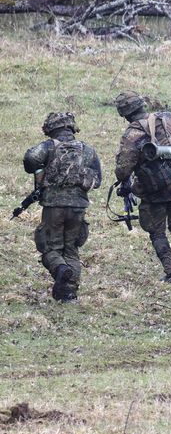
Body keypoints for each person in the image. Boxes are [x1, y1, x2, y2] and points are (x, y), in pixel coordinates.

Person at [113, 91, 171, 284]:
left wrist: (124, 181)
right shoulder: (166, 118)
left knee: (157, 232)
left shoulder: (132, 134)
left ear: (125, 114)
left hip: (152, 192)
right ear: (142, 105)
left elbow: (123, 170)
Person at [23, 112, 101, 302]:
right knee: (72, 249)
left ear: (51, 129)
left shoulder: (48, 147)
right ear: (71, 128)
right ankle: (69, 295)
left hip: (53, 206)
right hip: (78, 207)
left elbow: (30, 159)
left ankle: (60, 269)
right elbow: (97, 179)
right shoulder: (87, 150)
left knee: (50, 248)